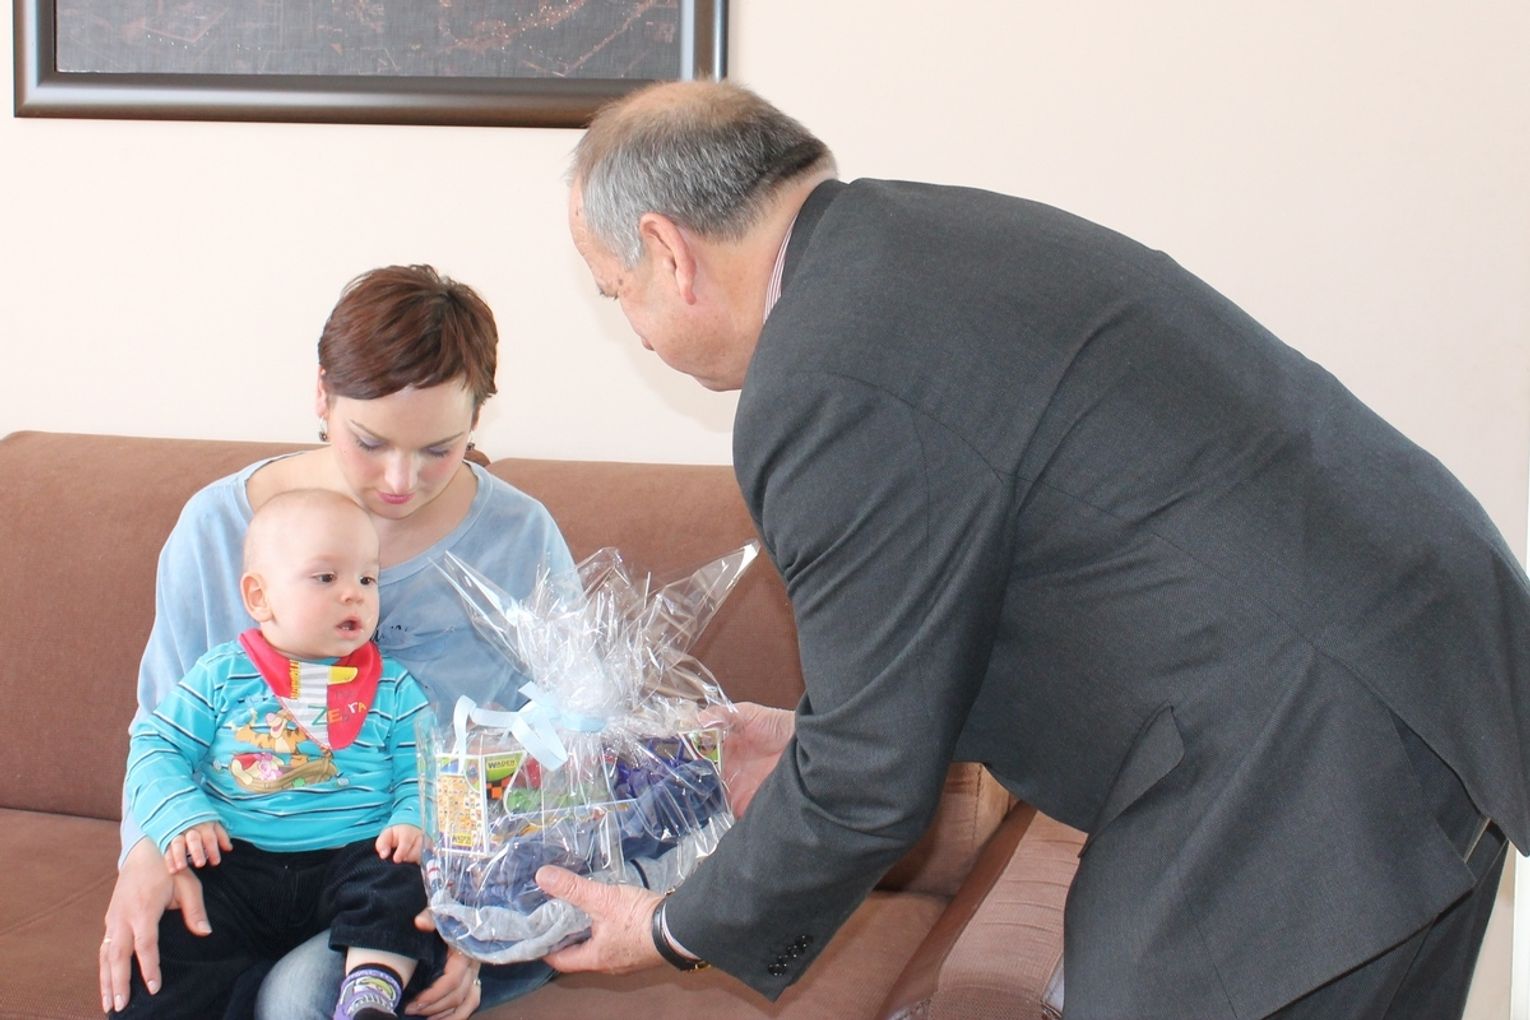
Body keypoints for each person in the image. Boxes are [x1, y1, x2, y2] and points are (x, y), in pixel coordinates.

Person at [535, 81, 1530, 1019]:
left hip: (1302, 750)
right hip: (1426, 669)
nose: (638, 334)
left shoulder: (822, 378)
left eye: (617, 292)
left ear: (669, 251)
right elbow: (994, 583)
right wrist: (811, 739)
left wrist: (671, 928)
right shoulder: (920, 242)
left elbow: (867, 782)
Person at [100, 264, 577, 1020]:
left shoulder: (519, 538)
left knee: (301, 1000)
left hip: (425, 873)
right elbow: (158, 727)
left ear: (478, 419)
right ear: (321, 395)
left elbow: (563, 755)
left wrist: (473, 913)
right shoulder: (217, 529)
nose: (400, 479)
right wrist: (145, 854)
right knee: (163, 977)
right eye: (370, 441)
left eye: (439, 449)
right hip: (245, 861)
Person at [118, 488, 438, 1019]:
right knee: (171, 926)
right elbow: (156, 746)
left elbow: (424, 771)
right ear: (259, 597)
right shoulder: (222, 674)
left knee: (405, 876)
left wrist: (413, 819)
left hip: (350, 861)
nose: (354, 594)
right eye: (326, 577)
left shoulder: (396, 688)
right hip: (234, 861)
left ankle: (370, 990)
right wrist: (181, 815)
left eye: (368, 579)